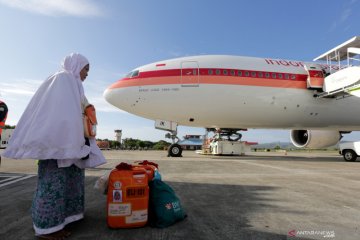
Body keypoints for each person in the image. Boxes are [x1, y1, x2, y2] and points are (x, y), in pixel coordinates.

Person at [2, 53, 106, 240]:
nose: (87, 73)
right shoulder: (62, 79)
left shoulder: (75, 84)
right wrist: (64, 142)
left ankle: (66, 218)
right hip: (58, 145)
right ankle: (48, 228)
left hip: (70, 143)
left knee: (71, 182)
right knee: (53, 185)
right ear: (75, 65)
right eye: (86, 68)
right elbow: (58, 115)